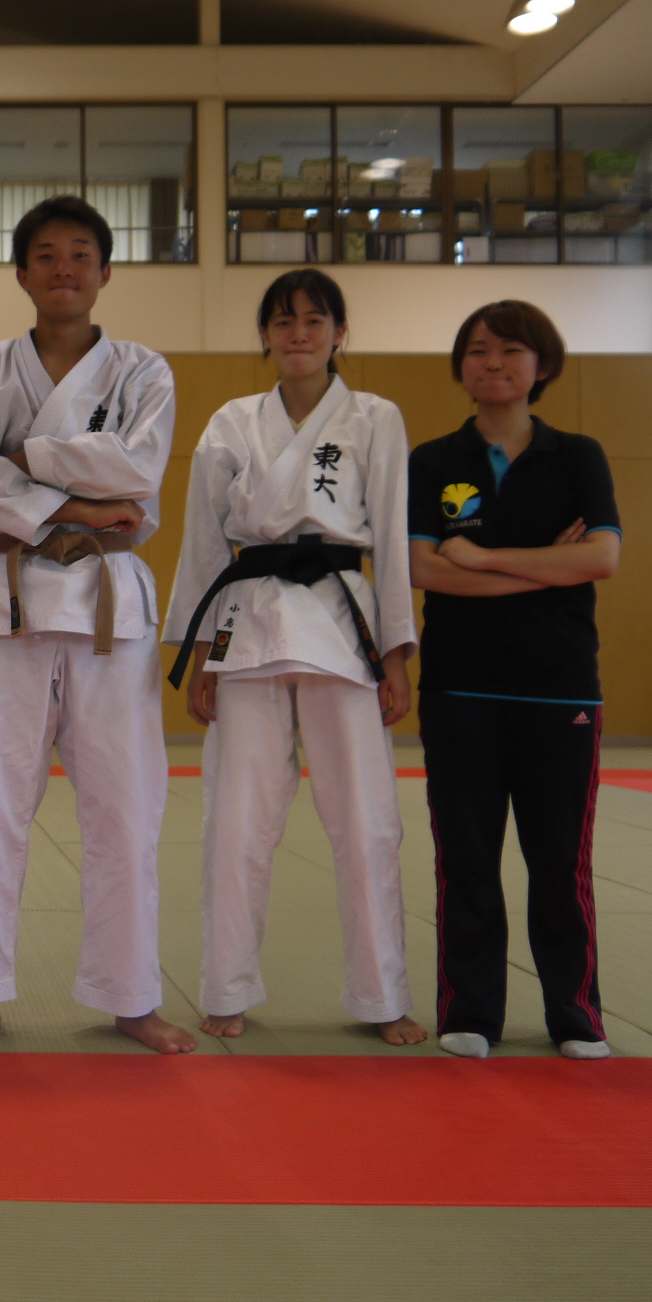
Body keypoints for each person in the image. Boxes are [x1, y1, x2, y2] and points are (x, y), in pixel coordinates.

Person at [0, 196, 188, 1054]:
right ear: (22, 273)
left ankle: (131, 995)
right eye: (45, 254)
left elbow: (139, 471)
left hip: (111, 601)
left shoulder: (144, 371)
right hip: (12, 595)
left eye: (80, 253)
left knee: (126, 806)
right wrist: (81, 503)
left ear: (105, 271)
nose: (64, 268)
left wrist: (26, 457)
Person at [163, 269, 425, 1047]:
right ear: (266, 336)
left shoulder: (375, 417)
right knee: (235, 820)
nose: (299, 334)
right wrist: (202, 657)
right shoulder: (232, 421)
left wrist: (398, 655)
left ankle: (382, 994)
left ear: (340, 333)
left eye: (315, 320)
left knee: (366, 820)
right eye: (283, 322)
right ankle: (226, 986)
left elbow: (393, 538)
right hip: (248, 622)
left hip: (343, 622)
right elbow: (204, 545)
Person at [409, 300, 621, 1061]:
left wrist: (484, 558)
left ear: (542, 364)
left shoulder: (579, 456)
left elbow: (600, 558)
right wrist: (545, 567)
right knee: (466, 860)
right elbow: (422, 569)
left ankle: (575, 1013)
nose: (492, 362)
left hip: (560, 690)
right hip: (459, 690)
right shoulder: (433, 461)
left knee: (560, 862)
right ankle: (470, 1010)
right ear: (460, 366)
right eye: (477, 349)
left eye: (510, 349)